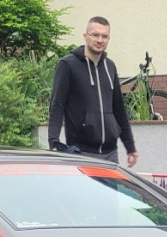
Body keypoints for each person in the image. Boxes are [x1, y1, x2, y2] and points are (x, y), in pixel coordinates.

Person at [47, 16, 139, 167]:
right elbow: (57, 106)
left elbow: (119, 109)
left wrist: (130, 146)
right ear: (85, 36)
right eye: (95, 35)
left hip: (110, 154)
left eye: (104, 36)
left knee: (110, 192)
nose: (100, 40)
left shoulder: (110, 67)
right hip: (81, 152)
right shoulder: (68, 65)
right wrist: (54, 142)